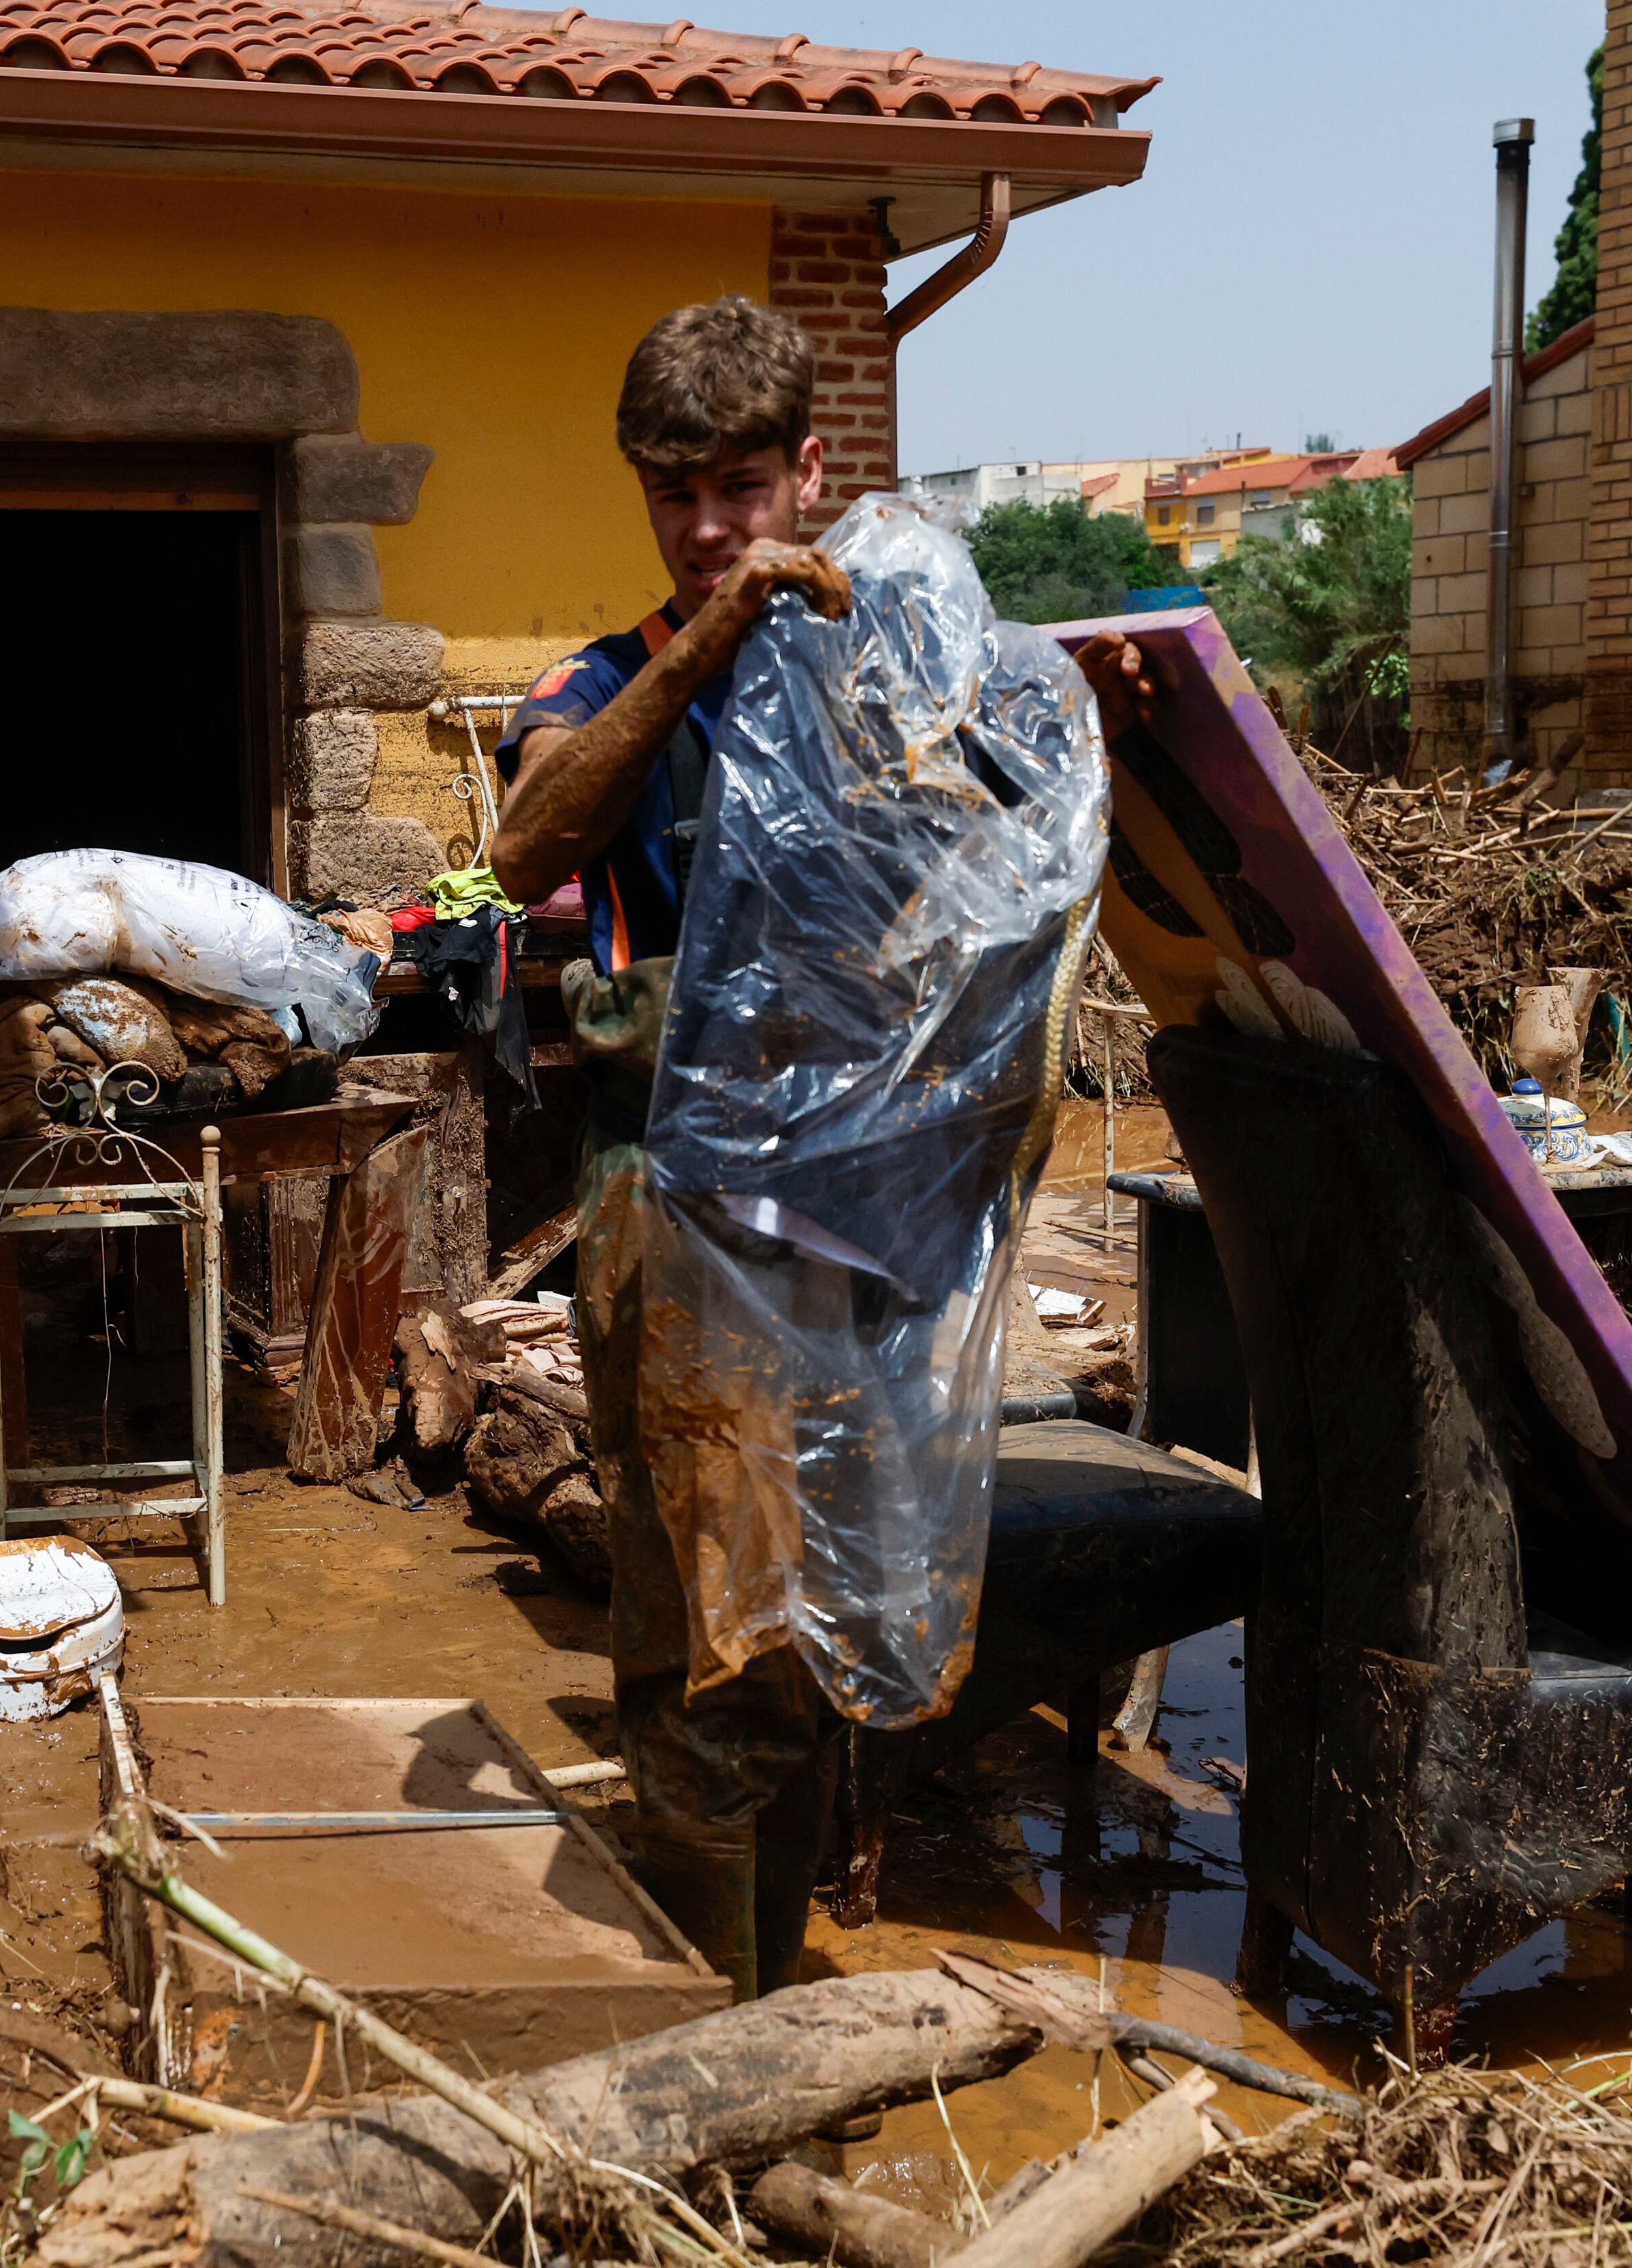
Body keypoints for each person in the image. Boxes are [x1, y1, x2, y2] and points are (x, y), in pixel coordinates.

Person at [487, 297, 1156, 1999]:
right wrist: (698, 646)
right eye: (668, 494)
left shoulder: (906, 671)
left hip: (869, 1216)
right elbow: (521, 846)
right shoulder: (608, 678)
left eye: (733, 488)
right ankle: (731, 2000)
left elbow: (1021, 857)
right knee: (713, 1629)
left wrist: (1106, 720)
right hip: (682, 1211)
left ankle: (797, 1919)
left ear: (808, 471)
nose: (705, 526)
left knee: (845, 1589)